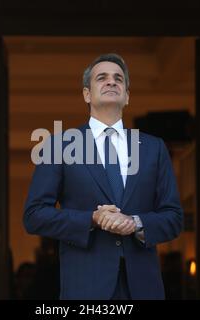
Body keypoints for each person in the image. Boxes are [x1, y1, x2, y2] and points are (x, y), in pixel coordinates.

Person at [23, 53, 183, 300]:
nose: (112, 82)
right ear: (87, 94)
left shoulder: (153, 148)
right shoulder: (59, 146)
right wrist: (92, 219)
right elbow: (33, 216)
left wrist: (136, 223)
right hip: (85, 288)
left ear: (127, 96)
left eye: (118, 78)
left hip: (142, 288)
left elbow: (173, 217)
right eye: (102, 78)